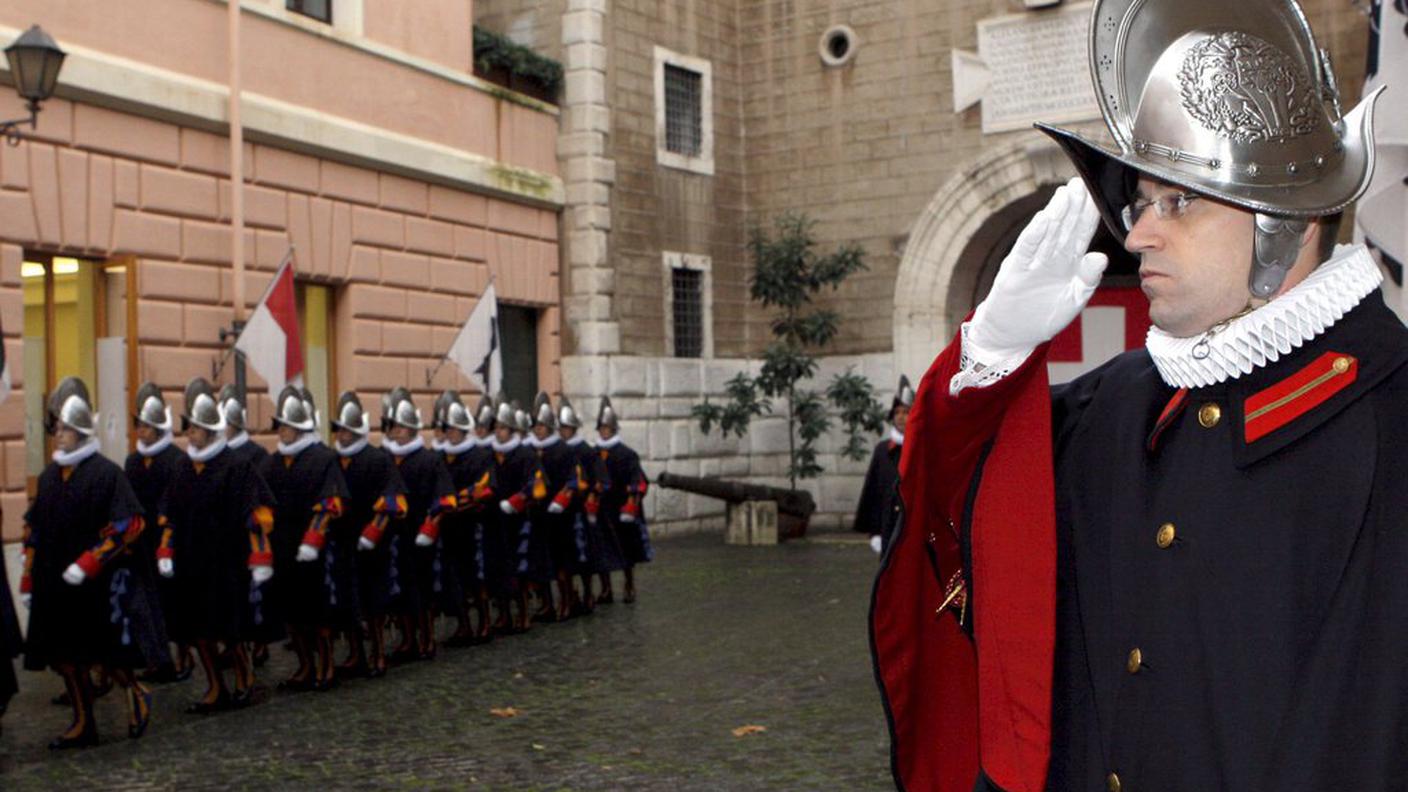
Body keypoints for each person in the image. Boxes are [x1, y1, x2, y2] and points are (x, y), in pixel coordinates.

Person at [869, 0, 1393, 789]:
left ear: (1284, 221)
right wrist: (992, 355)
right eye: (1142, 202)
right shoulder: (1108, 410)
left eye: (1178, 202)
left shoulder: (1389, 417)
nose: (1138, 233)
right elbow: (955, 521)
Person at [22, 377, 154, 747]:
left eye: (65, 429)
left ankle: (135, 692)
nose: (58, 435)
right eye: (57, 428)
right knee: (63, 659)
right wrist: (29, 576)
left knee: (102, 656)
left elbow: (130, 525)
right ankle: (83, 721)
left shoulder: (107, 473)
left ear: (81, 432)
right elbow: (34, 527)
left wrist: (89, 562)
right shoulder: (49, 477)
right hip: (55, 583)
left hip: (95, 585)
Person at [156, 378, 275, 712]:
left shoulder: (237, 465)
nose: (189, 434)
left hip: (226, 560)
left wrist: (260, 556)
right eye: (188, 428)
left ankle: (245, 677)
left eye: (194, 429)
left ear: (209, 430)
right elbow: (169, 512)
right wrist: (166, 549)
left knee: (229, 629)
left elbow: (257, 513)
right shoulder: (182, 467)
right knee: (197, 631)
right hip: (191, 559)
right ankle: (214, 685)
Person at [258, 386, 347, 692]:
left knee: (318, 612)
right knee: (292, 613)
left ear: (299, 427)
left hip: (313, 549)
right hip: (282, 547)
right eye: (279, 426)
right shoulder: (271, 464)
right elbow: (261, 503)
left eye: (286, 426)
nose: (281, 431)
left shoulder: (323, 459)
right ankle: (305, 666)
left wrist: (313, 539)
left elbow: (331, 501)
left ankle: (325, 666)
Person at [328, 391, 406, 678]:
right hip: (342, 539)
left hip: (373, 542)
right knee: (347, 600)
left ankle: (377, 654)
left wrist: (373, 532)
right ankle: (356, 653)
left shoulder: (379, 459)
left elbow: (392, 500)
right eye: (340, 429)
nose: (343, 434)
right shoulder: (332, 459)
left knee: (374, 602)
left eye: (348, 429)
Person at [380, 387, 455, 661]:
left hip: (419, 533)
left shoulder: (430, 460)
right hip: (393, 534)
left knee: (421, 590)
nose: (397, 431)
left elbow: (445, 497)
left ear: (412, 429)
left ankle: (426, 639)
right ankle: (407, 639)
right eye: (394, 426)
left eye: (401, 426)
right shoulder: (385, 458)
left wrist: (430, 526)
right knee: (399, 590)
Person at [122, 383, 186, 683]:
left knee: (173, 601)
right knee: (146, 604)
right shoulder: (132, 461)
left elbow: (176, 500)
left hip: (166, 541)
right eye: (139, 425)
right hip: (141, 542)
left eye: (147, 426)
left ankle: (182, 656)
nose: (142, 431)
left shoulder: (175, 459)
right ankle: (156, 657)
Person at [437, 391, 497, 646]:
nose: (450, 433)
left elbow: (485, 487)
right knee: (454, 578)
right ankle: (463, 624)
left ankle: (484, 622)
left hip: (473, 523)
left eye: (454, 429)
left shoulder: (480, 455)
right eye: (447, 428)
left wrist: (459, 499)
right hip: (449, 526)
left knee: (476, 577)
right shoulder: (440, 457)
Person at [486, 395, 548, 632]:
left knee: (518, 569)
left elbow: (537, 486)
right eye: (497, 427)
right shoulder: (490, 455)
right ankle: (503, 614)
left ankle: (523, 614)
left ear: (512, 429)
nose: (499, 432)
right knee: (497, 568)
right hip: (495, 520)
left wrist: (517, 501)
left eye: (503, 428)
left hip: (518, 519)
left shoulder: (525, 455)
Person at [527, 392, 586, 621]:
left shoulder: (563, 450)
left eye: (542, 426)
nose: (538, 429)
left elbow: (574, 480)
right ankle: (547, 604)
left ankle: (567, 601)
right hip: (538, 513)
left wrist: (561, 499)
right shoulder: (530, 451)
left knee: (562, 561)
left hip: (560, 515)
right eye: (536, 426)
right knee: (541, 561)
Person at [591, 397, 651, 604]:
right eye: (601, 427)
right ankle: (606, 588)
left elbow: (639, 480)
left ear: (614, 429)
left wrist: (631, 496)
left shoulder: (627, 454)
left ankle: (629, 584)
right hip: (600, 508)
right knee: (600, 550)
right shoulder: (594, 454)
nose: (604, 431)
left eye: (607, 427)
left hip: (619, 507)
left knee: (626, 547)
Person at [852, 375, 913, 556]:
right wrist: (875, 531)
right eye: (897, 413)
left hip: (914, 526)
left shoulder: (922, 448)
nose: (901, 417)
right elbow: (873, 491)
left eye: (906, 412)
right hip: (888, 526)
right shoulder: (882, 450)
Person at [558, 395, 605, 614]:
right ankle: (570, 596)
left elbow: (598, 479)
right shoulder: (557, 451)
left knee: (584, 556)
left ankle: (588, 593)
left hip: (580, 510)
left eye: (567, 427)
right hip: (562, 512)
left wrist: (590, 495)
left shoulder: (586, 451)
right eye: (561, 427)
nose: (563, 431)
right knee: (565, 557)